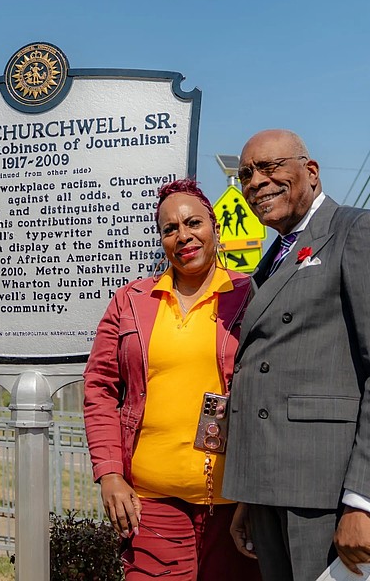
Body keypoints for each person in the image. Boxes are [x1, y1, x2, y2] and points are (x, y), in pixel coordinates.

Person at [223, 129, 370, 580]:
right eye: (246, 173)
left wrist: (363, 502)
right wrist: (252, 493)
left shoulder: (360, 231)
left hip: (330, 494)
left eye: (270, 167)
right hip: (273, 490)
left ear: (310, 171)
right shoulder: (274, 257)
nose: (255, 182)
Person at [84, 179, 261, 580]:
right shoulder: (131, 301)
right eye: (169, 229)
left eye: (193, 222)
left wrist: (257, 494)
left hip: (236, 506)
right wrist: (110, 473)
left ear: (215, 226)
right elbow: (98, 387)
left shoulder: (250, 295)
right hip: (152, 504)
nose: (183, 236)